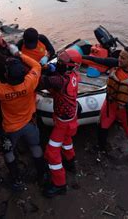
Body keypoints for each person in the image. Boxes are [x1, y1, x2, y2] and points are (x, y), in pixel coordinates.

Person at [0, 45, 46, 191]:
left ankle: (16, 179)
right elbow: (36, 65)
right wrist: (18, 53)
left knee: (9, 151)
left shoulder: (1, 91)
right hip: (29, 124)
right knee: (35, 146)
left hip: (11, 129)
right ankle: (41, 174)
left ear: (6, 76)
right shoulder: (30, 83)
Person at [39, 49, 82, 198]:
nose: (58, 63)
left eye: (61, 62)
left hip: (63, 122)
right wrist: (52, 70)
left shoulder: (59, 80)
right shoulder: (75, 75)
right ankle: (71, 163)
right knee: (67, 141)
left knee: (52, 152)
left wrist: (39, 68)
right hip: (71, 117)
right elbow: (57, 77)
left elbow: (40, 81)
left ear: (69, 66)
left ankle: (59, 184)